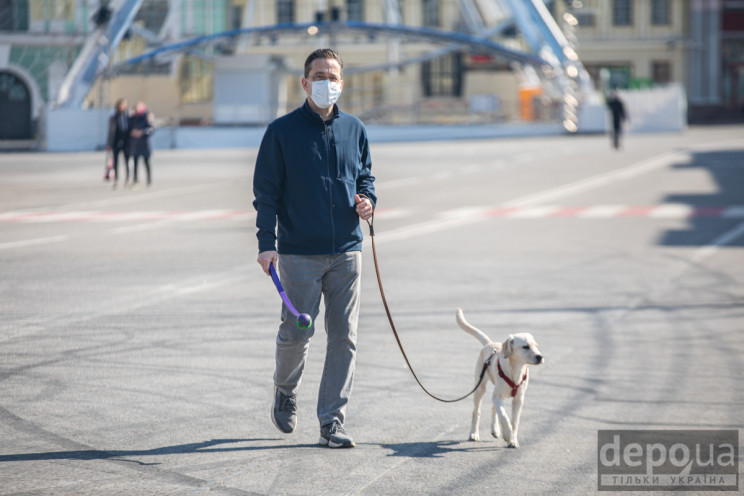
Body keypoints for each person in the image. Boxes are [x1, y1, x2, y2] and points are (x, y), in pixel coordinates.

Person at [253, 48, 376, 449]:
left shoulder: (355, 129)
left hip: (346, 251)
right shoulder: (282, 132)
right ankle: (285, 390)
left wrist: (367, 200)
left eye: (333, 76)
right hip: (297, 254)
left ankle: (332, 422)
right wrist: (266, 245)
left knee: (345, 337)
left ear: (343, 81)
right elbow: (266, 194)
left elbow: (365, 177)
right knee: (296, 333)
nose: (327, 83)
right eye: (319, 76)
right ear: (305, 83)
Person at [105, 98, 131, 188]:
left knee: (127, 161)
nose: (121, 107)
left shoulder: (128, 116)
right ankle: (117, 179)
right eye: (120, 105)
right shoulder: (114, 117)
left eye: (123, 105)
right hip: (116, 142)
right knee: (116, 162)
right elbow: (110, 131)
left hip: (126, 142)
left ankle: (128, 179)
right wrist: (109, 144)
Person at [129, 102, 155, 187]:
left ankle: (149, 180)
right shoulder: (132, 118)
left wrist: (142, 132)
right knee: (135, 163)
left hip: (144, 144)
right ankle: (135, 180)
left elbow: (152, 129)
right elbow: (128, 129)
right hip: (135, 144)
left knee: (146, 163)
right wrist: (132, 133)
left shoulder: (147, 117)